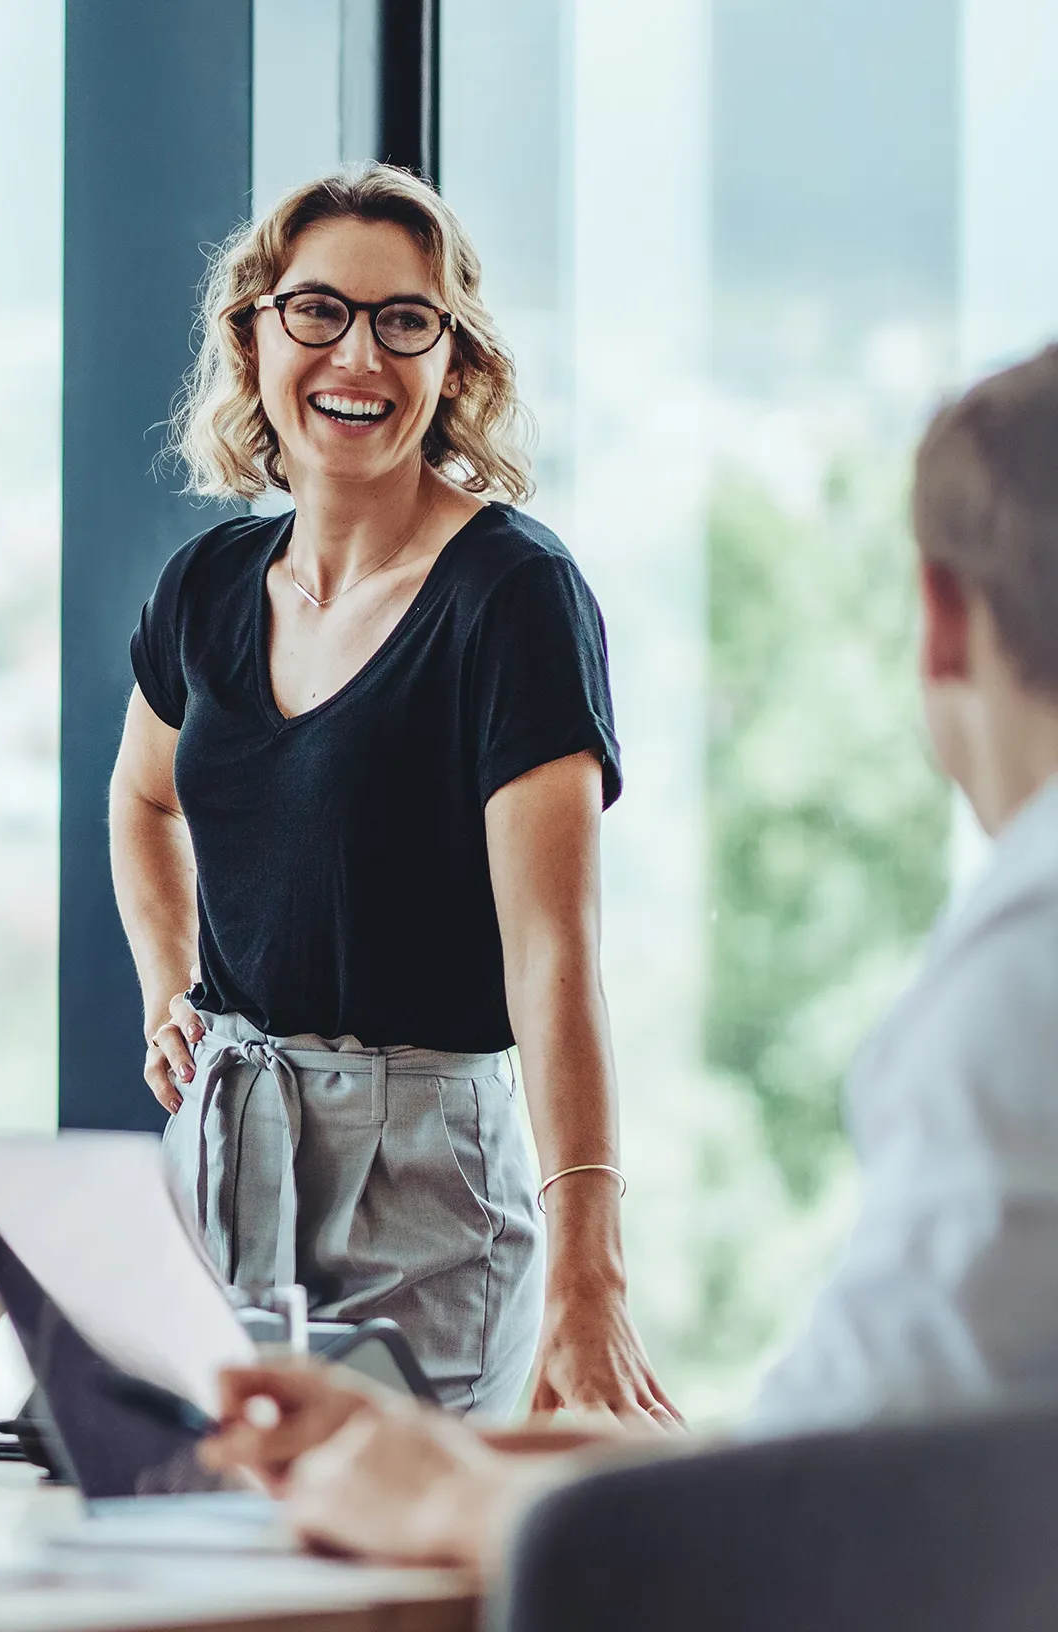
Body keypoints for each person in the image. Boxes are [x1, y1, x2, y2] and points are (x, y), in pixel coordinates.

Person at [201, 342, 1058, 1566]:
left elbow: (823, 1524)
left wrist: (449, 1502)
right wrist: (458, 1454)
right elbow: (856, 1440)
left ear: (941, 622)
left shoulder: (1023, 979)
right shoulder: (218, 587)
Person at [109, 163, 676, 1422]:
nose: (354, 353)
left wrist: (592, 1273)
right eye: (317, 310)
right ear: (254, 336)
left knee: (392, 1598)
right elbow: (143, 802)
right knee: (199, 1571)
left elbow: (554, 958)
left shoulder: (513, 597)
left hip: (422, 1178)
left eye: (402, 319)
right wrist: (167, 988)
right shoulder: (204, 587)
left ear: (453, 361)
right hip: (218, 1150)